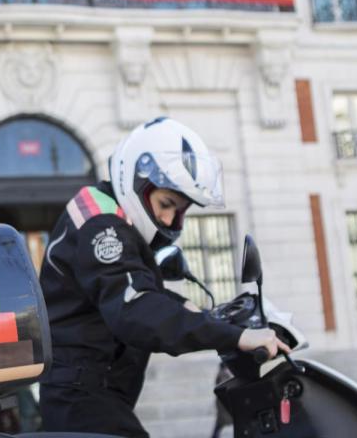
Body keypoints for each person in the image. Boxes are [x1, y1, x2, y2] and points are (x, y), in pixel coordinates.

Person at [39, 117, 289, 437]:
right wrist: (235, 337)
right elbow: (137, 309)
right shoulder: (102, 229)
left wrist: (210, 316)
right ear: (137, 180)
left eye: (179, 211)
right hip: (82, 401)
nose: (170, 219)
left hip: (90, 396)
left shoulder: (108, 215)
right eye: (167, 204)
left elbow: (138, 289)